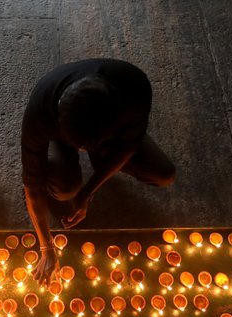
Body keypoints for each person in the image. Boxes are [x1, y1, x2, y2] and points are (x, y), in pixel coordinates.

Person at [21, 58, 176, 285]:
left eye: (87, 148)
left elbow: (126, 147)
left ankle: (96, 155)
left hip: (107, 132)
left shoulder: (134, 89)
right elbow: (32, 186)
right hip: (68, 129)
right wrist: (46, 247)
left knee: (163, 174)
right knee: (65, 188)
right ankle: (70, 151)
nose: (83, 150)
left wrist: (89, 191)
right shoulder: (41, 111)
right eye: (81, 146)